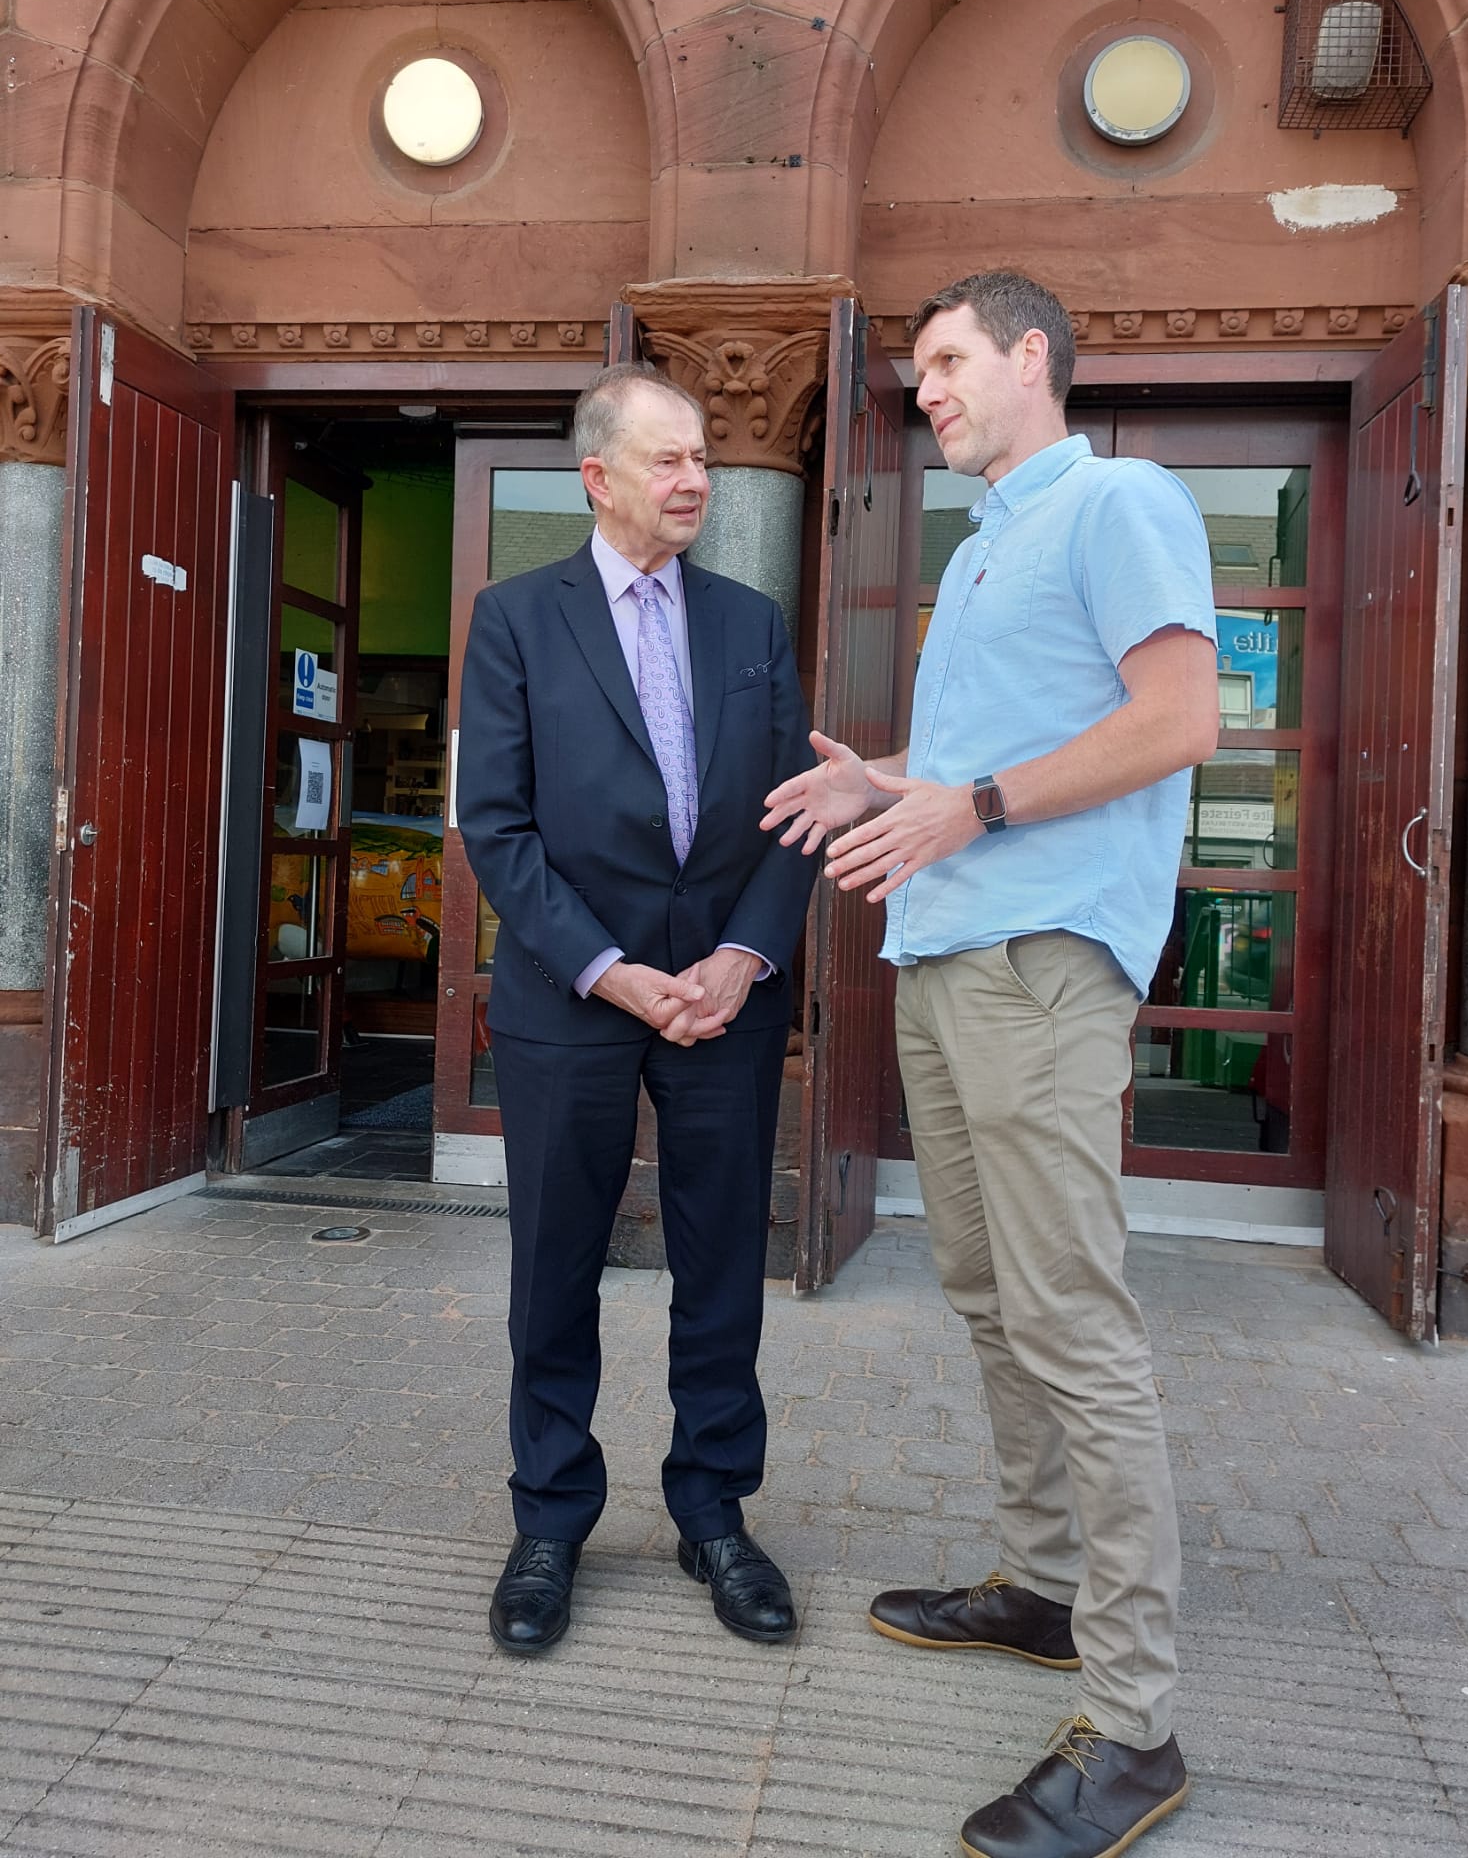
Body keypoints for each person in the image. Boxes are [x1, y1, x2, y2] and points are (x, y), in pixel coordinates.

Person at [762, 270, 1218, 1858]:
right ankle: (1037, 1586)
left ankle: (1136, 1723)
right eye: (917, 371)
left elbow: (1178, 723)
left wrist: (973, 807)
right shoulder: (981, 553)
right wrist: (887, 780)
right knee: (986, 1293)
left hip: (1042, 958)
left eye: (949, 361)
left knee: (1074, 1323)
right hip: (945, 958)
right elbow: (980, 768)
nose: (927, 390)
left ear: (1036, 357)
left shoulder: (1118, 500)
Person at [458, 363, 817, 1656]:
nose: (696, 482)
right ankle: (550, 1518)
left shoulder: (749, 622)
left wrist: (742, 956)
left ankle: (713, 1510)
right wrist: (609, 968)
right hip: (573, 995)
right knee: (556, 1265)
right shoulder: (515, 618)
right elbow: (493, 825)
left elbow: (795, 815)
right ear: (598, 477)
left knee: (722, 1264)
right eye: (668, 460)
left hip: (723, 997)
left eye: (705, 460)